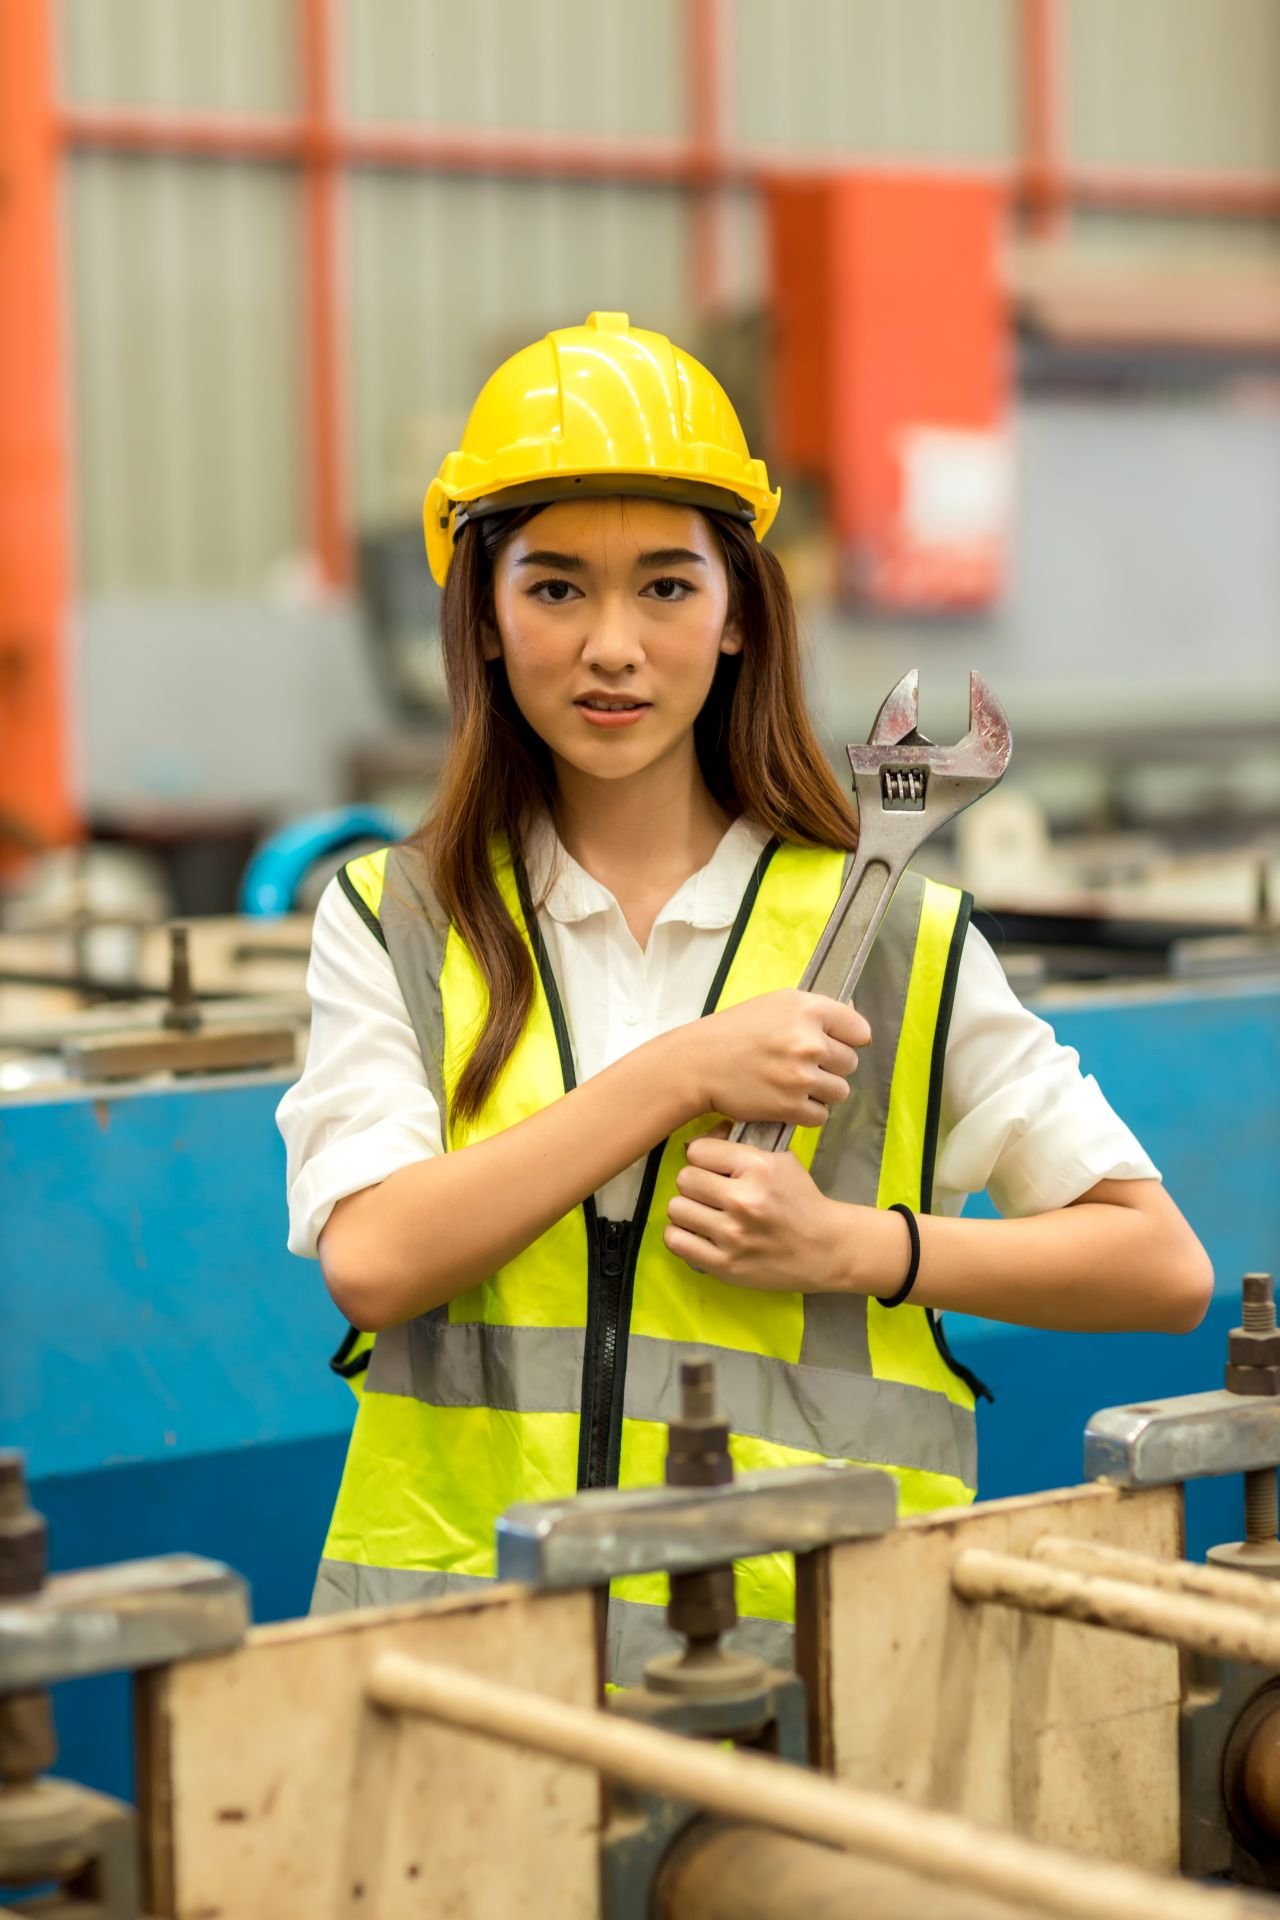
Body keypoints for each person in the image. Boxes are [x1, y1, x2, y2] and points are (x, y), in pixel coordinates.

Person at [277, 311, 1212, 1680]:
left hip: (817, 1674)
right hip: (462, 1676)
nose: (612, 645)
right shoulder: (395, 924)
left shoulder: (894, 936)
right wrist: (679, 1075)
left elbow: (1159, 1266)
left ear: (735, 618)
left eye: (665, 587)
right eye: (554, 589)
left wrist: (858, 1249)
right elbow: (374, 1258)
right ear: (479, 616)